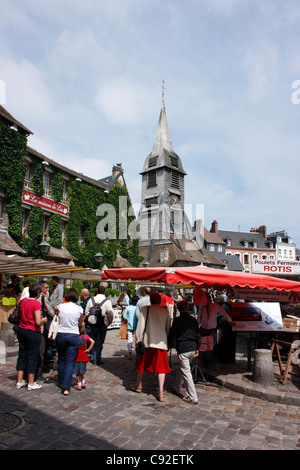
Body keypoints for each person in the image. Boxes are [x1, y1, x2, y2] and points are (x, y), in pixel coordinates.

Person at [131, 292, 171, 402]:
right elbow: (168, 328)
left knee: (141, 364)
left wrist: (138, 340)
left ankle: (139, 385)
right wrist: (167, 340)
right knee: (161, 368)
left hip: (147, 341)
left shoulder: (145, 309)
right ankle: (161, 392)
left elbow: (140, 326)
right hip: (161, 342)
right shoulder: (165, 311)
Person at [16, 283, 47, 390]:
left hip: (22, 329)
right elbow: (38, 321)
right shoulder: (36, 304)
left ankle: (20, 380)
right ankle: (31, 382)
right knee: (32, 357)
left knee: (22, 355)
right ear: (38, 294)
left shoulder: (23, 301)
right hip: (32, 331)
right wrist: (44, 320)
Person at [168, 300, 200, 404]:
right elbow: (198, 335)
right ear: (188, 308)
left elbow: (173, 335)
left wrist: (169, 346)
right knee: (181, 369)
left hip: (183, 348)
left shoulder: (177, 320)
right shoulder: (193, 320)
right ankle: (177, 388)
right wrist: (198, 347)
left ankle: (192, 396)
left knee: (186, 371)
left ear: (178, 309)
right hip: (192, 347)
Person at [55, 288, 84, 395]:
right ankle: (66, 386)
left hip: (61, 333)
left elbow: (57, 315)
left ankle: (61, 381)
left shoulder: (61, 306)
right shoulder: (79, 308)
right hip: (73, 334)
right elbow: (80, 323)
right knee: (70, 361)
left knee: (61, 359)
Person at [198, 293, 232, 364]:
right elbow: (199, 317)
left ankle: (212, 360)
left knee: (213, 344)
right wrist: (197, 326)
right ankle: (205, 360)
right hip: (203, 328)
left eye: (206, 299)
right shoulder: (202, 306)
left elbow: (224, 313)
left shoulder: (215, 306)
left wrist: (230, 321)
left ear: (210, 299)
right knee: (204, 345)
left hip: (212, 328)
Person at [85, 285, 113, 366]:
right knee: (100, 341)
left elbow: (86, 312)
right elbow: (110, 314)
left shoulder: (91, 299)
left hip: (92, 323)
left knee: (93, 340)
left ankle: (94, 357)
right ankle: (97, 358)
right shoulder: (107, 301)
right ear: (104, 292)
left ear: (97, 291)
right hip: (101, 324)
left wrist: (90, 320)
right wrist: (108, 323)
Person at [35, 281, 55, 379]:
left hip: (28, 328)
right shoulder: (43, 298)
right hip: (40, 326)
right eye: (46, 288)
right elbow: (51, 312)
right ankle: (38, 372)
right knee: (40, 350)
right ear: (41, 288)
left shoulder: (26, 299)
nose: (48, 289)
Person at [73, 323, 95, 390]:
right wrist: (88, 349)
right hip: (84, 354)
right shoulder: (85, 336)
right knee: (82, 370)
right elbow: (92, 341)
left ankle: (79, 384)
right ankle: (83, 382)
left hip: (77, 354)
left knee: (77, 371)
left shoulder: (76, 336)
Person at [123, 295, 139, 360]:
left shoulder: (129, 307)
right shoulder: (138, 308)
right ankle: (137, 352)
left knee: (130, 339)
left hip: (129, 325)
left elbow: (124, 316)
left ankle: (130, 353)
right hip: (137, 326)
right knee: (137, 339)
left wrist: (128, 318)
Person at [80, 288, 93, 360]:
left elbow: (85, 312)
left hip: (87, 323)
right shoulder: (92, 300)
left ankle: (88, 354)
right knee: (91, 339)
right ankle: (92, 354)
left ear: (83, 295)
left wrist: (82, 320)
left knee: (87, 340)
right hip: (92, 322)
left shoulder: (86, 302)